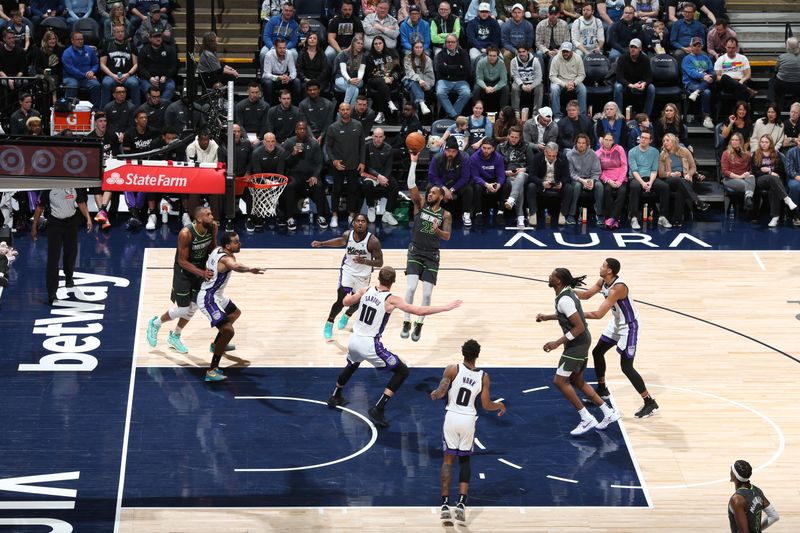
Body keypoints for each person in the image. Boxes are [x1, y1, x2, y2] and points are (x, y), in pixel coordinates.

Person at [327, 266, 461, 428]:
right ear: (393, 281)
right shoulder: (391, 299)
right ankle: (379, 407)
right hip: (370, 343)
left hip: (354, 339)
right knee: (402, 371)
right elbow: (418, 311)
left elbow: (346, 302)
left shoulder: (365, 290)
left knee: (352, 364)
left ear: (379, 278)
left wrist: (348, 297)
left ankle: (335, 395)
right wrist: (445, 307)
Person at [536, 268, 620, 436]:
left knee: (559, 381)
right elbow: (570, 316)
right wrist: (546, 317)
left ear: (558, 281)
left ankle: (586, 417)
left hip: (577, 343)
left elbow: (579, 326)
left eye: (552, 275)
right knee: (577, 380)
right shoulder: (566, 293)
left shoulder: (564, 299)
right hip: (581, 341)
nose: (549, 277)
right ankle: (608, 413)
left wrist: (556, 343)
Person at [430, 339, 505, 527]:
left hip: (452, 417)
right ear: (477, 355)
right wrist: (500, 405)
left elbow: (440, 392)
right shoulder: (483, 377)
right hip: (468, 420)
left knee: (448, 460)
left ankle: (445, 505)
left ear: (463, 353)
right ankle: (461, 504)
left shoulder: (452, 369)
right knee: (465, 461)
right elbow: (487, 405)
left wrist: (434, 394)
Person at [578, 258, 659, 418]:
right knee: (597, 352)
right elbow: (586, 295)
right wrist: (567, 289)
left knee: (626, 367)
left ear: (610, 271)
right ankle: (602, 390)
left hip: (629, 327)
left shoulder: (619, 288)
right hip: (616, 323)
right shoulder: (603, 281)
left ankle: (649, 402)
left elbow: (598, 314)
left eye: (603, 266)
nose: (600, 267)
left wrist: (576, 316)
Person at [147, 207, 217, 354]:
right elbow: (182, 261)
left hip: (200, 271)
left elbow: (212, 247)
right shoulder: (186, 233)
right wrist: (202, 272)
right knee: (184, 309)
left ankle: (175, 335)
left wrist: (222, 258)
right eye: (208, 214)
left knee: (195, 305)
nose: (212, 216)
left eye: (211, 214)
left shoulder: (213, 227)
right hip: (183, 272)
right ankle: (155, 323)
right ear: (199, 219)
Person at [198, 232, 265, 381]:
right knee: (228, 331)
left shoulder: (216, 249)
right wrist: (249, 269)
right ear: (227, 246)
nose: (239, 244)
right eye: (236, 242)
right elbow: (235, 266)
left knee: (234, 313)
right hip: (208, 298)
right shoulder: (227, 258)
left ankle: (216, 345)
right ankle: (212, 370)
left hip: (218, 295)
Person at [402, 150, 453, 341]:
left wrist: (437, 230)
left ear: (440, 196)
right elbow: (411, 185)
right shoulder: (420, 205)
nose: (429, 194)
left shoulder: (445, 215)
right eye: (429, 192)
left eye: (433, 192)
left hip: (432, 254)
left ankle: (419, 324)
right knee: (410, 289)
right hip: (415, 250)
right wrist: (413, 162)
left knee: (427, 293)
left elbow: (447, 237)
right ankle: (407, 321)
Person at [312, 214, 383, 340]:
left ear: (367, 224)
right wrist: (322, 243)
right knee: (342, 299)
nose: (360, 223)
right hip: (348, 271)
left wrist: (365, 262)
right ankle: (329, 323)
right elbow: (340, 241)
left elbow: (380, 262)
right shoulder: (347, 235)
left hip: (363, 275)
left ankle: (347, 314)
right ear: (353, 223)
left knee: (358, 302)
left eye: (363, 221)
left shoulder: (373, 241)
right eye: (358, 221)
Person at [31, 188, 93, 305]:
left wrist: (88, 218)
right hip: (55, 224)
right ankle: (51, 292)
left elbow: (81, 203)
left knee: (71, 253)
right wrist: (34, 226)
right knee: (53, 259)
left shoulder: (75, 187)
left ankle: (69, 277)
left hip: (72, 223)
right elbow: (40, 207)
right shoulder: (48, 189)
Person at [752, 134, 799, 227]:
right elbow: (755, 171)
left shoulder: (776, 154)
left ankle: (775, 217)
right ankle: (787, 199)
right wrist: (769, 172)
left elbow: (781, 169)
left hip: (775, 180)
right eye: (762, 142)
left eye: (766, 142)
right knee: (772, 178)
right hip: (761, 180)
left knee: (773, 188)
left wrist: (771, 172)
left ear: (770, 143)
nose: (764, 144)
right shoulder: (755, 154)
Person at [728, 459, 780, 533]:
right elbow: (774, 516)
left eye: (731, 470)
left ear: (734, 477)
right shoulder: (757, 491)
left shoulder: (737, 499)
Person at [613, 38, 655, 118]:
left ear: (640, 49)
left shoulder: (645, 59)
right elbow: (619, 77)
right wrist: (631, 85)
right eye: (631, 47)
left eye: (635, 47)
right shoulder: (622, 58)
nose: (632, 49)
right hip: (626, 84)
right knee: (617, 87)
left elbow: (649, 77)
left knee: (651, 88)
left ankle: (646, 117)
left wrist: (644, 83)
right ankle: (619, 116)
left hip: (639, 84)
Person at [682, 36, 715, 129]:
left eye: (699, 46)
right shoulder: (687, 59)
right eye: (695, 45)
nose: (697, 47)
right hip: (691, 83)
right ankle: (706, 116)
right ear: (691, 46)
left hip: (705, 81)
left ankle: (697, 92)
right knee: (707, 91)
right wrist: (704, 76)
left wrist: (710, 76)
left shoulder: (706, 58)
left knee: (715, 75)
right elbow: (691, 73)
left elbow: (711, 70)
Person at [596, 132, 628, 229]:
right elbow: (598, 171)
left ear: (613, 141)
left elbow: (624, 165)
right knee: (607, 190)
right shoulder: (597, 153)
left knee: (622, 191)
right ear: (602, 141)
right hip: (607, 178)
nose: (608, 142)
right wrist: (608, 180)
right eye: (606, 140)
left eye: (610, 140)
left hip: (620, 177)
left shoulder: (619, 149)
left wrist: (619, 181)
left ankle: (613, 218)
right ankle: (608, 217)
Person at [549, 42, 587, 120]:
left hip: (574, 81)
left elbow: (582, 75)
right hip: (560, 81)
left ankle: (582, 115)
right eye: (563, 51)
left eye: (567, 51)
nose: (565, 53)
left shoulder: (578, 58)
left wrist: (574, 83)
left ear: (572, 51)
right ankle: (557, 116)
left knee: (583, 89)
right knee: (554, 89)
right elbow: (552, 76)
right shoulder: (556, 58)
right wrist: (564, 85)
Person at [714, 37, 757, 103]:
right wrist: (731, 80)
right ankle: (747, 90)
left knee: (738, 88)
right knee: (725, 77)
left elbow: (748, 75)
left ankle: (740, 110)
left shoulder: (743, 58)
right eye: (729, 47)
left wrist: (741, 81)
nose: (730, 50)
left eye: (733, 48)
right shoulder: (721, 59)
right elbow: (717, 76)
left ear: (736, 48)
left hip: (740, 82)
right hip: (726, 85)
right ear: (725, 47)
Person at [769, 37, 800, 112]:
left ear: (787, 46)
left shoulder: (781, 57)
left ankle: (771, 102)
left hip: (782, 85)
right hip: (798, 86)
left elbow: (776, 69)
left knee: (772, 81)